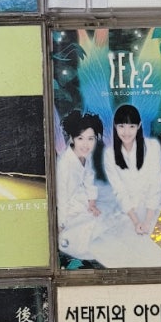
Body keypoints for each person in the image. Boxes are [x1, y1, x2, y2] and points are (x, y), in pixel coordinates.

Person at [103, 104, 161, 236]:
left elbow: (156, 185)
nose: (126, 132)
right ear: (115, 126)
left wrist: (147, 222)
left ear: (139, 126)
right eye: (121, 126)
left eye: (131, 126)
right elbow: (120, 191)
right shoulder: (109, 154)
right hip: (128, 211)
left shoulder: (152, 147)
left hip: (152, 208)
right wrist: (136, 222)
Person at [55, 109, 103, 258]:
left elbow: (89, 177)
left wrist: (92, 202)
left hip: (80, 198)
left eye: (91, 139)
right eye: (80, 138)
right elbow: (62, 197)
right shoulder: (64, 164)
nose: (86, 144)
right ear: (72, 138)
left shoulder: (85, 156)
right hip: (67, 207)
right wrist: (61, 224)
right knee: (87, 234)